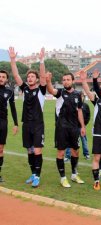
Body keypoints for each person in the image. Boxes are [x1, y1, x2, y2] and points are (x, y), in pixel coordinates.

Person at [9, 47, 46, 188]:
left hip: (38, 125)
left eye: (32, 77)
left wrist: (41, 61)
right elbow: (17, 75)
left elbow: (43, 77)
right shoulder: (24, 89)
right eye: (28, 76)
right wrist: (13, 60)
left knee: (37, 150)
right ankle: (33, 173)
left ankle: (37, 176)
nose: (29, 78)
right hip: (27, 125)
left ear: (36, 80)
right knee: (29, 150)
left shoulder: (41, 91)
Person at [46, 72, 86, 188]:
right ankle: (63, 178)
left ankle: (74, 174)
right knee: (61, 152)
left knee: (76, 151)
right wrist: (48, 81)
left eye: (68, 79)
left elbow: (79, 111)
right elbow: (51, 90)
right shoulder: (60, 93)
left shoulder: (78, 94)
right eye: (64, 80)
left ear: (73, 81)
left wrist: (82, 126)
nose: (66, 81)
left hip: (74, 128)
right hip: (61, 128)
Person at [0, 70, 18, 182]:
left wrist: (16, 124)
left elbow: (13, 109)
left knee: (1, 149)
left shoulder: (10, 92)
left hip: (2, 122)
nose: (1, 78)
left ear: (6, 79)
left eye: (3, 77)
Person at [65, 92, 90, 161]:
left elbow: (88, 116)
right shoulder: (72, 105)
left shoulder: (86, 106)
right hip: (72, 127)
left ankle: (86, 154)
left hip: (81, 127)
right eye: (80, 97)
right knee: (69, 141)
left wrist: (84, 125)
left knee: (84, 141)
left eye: (82, 96)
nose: (81, 98)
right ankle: (67, 156)